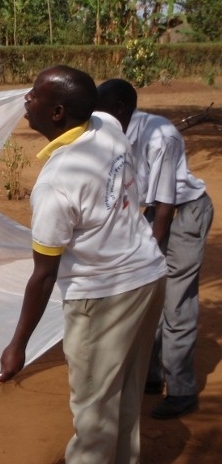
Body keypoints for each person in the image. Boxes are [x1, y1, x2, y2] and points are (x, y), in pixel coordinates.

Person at [0, 66, 166, 463]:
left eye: (35, 94)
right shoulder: (108, 125)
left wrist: (17, 345)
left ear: (57, 113)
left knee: (94, 416)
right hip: (149, 278)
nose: (26, 98)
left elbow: (44, 275)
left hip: (102, 297)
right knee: (125, 396)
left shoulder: (55, 184)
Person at [96, 78, 214, 420]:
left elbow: (166, 204)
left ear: (120, 108)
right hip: (154, 212)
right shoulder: (113, 134)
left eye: (101, 110)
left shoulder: (160, 136)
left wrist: (148, 252)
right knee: (147, 295)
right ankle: (150, 375)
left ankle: (181, 390)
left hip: (184, 213)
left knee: (176, 300)